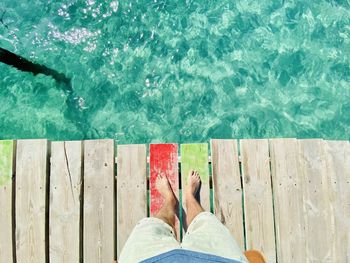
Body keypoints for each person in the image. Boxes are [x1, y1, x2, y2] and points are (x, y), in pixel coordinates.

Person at [118, 169, 250, 263]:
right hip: (218, 258)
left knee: (153, 227)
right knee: (205, 223)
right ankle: (190, 198)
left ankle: (170, 200)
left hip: (147, 259)